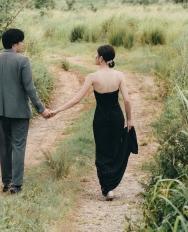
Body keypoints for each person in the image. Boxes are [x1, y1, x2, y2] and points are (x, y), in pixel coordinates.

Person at [51, 44, 137, 200]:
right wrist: (129, 118)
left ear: (101, 58)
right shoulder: (119, 75)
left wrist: (57, 110)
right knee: (115, 148)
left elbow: (77, 100)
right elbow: (127, 100)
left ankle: (107, 187)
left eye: (95, 55)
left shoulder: (92, 77)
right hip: (117, 116)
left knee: (102, 150)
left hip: (101, 118)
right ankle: (111, 183)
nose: (94, 57)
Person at [0, 28, 53, 194]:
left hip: (0, 111)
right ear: (15, 43)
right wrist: (41, 109)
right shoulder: (23, 61)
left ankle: (6, 182)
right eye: (21, 41)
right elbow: (30, 88)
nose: (23, 44)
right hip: (20, 112)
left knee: (5, 147)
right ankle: (16, 184)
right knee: (18, 146)